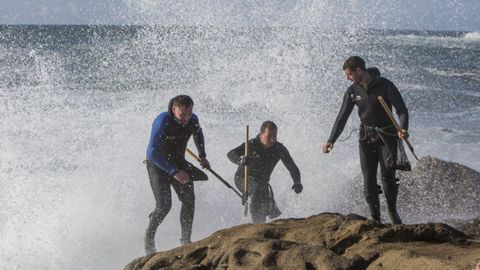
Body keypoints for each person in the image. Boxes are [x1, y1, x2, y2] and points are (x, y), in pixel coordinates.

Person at [322, 56, 409, 225]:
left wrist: (404, 128)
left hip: (387, 137)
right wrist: (331, 140)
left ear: (359, 70)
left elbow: (402, 110)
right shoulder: (352, 91)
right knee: (368, 181)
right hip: (366, 138)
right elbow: (342, 117)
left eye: (349, 74)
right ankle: (376, 219)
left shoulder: (385, 85)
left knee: (388, 178)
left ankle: (392, 213)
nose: (347, 78)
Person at [144, 95, 210, 255]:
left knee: (189, 199)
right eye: (183, 114)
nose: (186, 118)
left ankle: (185, 240)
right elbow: (151, 152)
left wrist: (202, 155)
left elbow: (198, 133)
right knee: (164, 206)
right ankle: (149, 239)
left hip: (178, 162)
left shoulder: (193, 119)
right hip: (158, 165)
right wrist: (174, 172)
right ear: (174, 110)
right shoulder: (163, 121)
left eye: (189, 113)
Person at [227, 121, 302, 224]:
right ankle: (256, 226)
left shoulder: (279, 148)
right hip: (242, 178)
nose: (272, 139)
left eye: (275, 136)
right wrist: (240, 160)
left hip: (262, 183)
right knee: (256, 190)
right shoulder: (251, 144)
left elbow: (291, 166)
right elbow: (231, 154)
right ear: (261, 134)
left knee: (270, 210)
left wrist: (297, 181)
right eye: (269, 136)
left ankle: (262, 226)